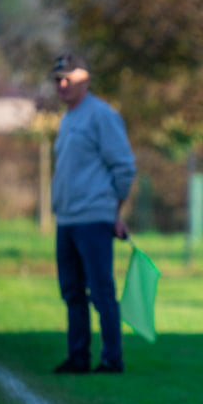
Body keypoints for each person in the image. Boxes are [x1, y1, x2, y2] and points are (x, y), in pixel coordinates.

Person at [50, 53, 137, 375]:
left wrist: (114, 211)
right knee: (72, 292)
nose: (61, 85)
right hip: (68, 218)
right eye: (57, 79)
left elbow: (124, 167)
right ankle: (78, 357)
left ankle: (112, 359)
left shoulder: (101, 115)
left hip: (94, 218)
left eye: (67, 79)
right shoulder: (68, 118)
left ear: (84, 80)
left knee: (101, 291)